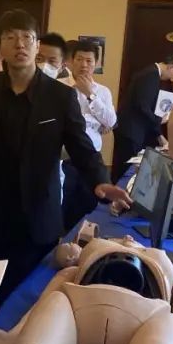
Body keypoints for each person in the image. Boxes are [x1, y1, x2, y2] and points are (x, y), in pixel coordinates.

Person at [0, 10, 131, 301]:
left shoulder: (59, 96)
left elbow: (81, 145)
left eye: (27, 38)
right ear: (0, 47)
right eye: (11, 38)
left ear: (36, 46)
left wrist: (100, 180)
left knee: (31, 293)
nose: (20, 45)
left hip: (39, 209)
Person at [60, 40, 117, 228]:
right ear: (71, 61)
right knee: (64, 204)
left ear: (96, 64)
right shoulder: (59, 87)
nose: (84, 65)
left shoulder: (103, 92)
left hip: (91, 158)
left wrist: (90, 95)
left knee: (88, 203)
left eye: (89, 61)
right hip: (64, 158)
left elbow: (111, 121)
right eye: (79, 59)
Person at [112, 59, 173, 181]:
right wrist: (159, 120)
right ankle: (117, 191)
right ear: (170, 67)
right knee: (125, 168)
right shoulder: (151, 75)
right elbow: (142, 106)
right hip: (130, 129)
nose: (172, 79)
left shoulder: (150, 72)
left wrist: (158, 134)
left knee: (124, 166)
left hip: (130, 128)